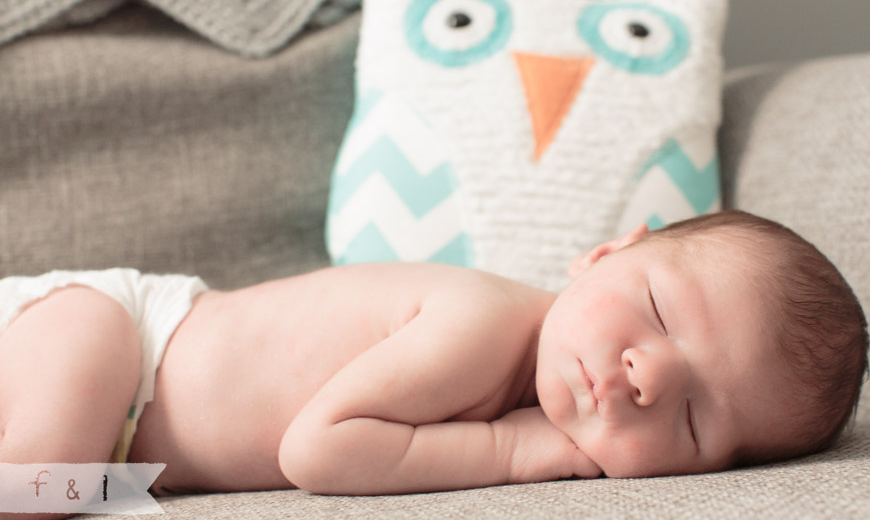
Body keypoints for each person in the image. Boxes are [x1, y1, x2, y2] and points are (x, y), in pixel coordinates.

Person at [0, 210, 866, 505]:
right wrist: (519, 452)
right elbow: (317, 451)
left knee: (92, 494)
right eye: (658, 310)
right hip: (114, 334)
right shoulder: (480, 322)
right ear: (606, 253)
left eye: (691, 418)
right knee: (40, 485)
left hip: (127, 451)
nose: (646, 377)